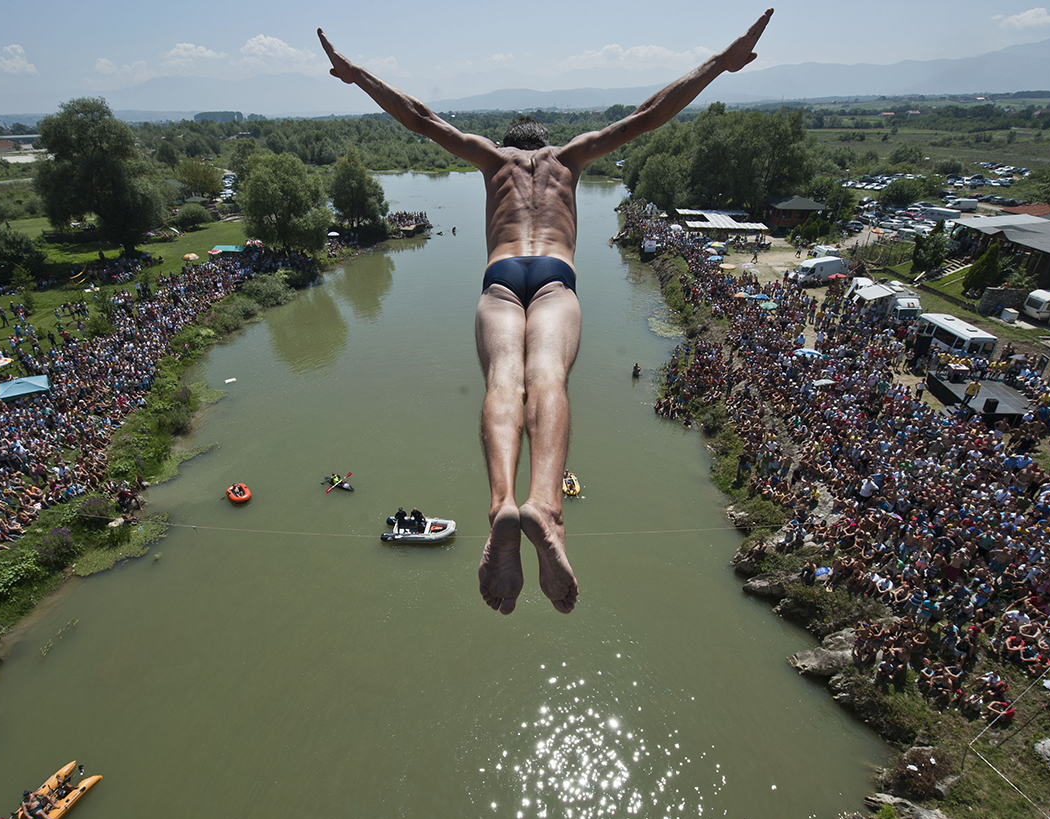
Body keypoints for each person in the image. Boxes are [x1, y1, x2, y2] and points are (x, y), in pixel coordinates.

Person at [320, 9, 774, 614]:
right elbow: (650, 114)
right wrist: (721, 61)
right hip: (556, 279)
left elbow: (421, 118)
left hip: (500, 279)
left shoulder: (492, 160)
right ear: (546, 143)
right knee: (548, 380)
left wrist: (358, 75)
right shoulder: (571, 158)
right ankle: (545, 508)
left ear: (510, 144)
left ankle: (500, 503)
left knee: (503, 381)